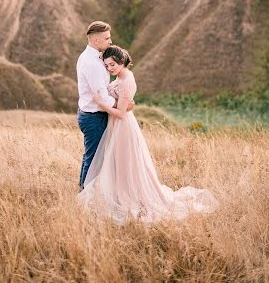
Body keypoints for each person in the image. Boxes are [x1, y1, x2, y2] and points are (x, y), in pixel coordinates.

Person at [77, 45, 218, 224]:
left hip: (123, 127)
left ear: (122, 62)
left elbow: (120, 113)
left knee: (125, 164)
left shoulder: (126, 80)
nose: (109, 69)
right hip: (117, 126)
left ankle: (127, 198)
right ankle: (120, 194)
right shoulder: (121, 76)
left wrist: (100, 103)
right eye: (106, 66)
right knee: (119, 164)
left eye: (112, 65)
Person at [76, 21, 134, 190]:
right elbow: (101, 96)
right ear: (96, 41)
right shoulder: (92, 63)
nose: (110, 41)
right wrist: (123, 105)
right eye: (107, 38)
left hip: (90, 113)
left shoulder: (89, 57)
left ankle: (83, 191)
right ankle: (85, 196)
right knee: (94, 159)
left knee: (90, 157)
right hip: (94, 117)